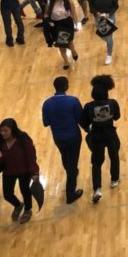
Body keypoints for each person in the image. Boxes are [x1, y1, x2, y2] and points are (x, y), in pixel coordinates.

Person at [41, 76, 84, 205]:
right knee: (72, 163)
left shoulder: (47, 103)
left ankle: (72, 172)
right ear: (66, 86)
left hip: (58, 138)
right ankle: (70, 194)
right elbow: (80, 119)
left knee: (65, 157)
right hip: (73, 137)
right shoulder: (73, 101)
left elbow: (45, 122)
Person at [80, 78, 121, 204]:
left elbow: (84, 122)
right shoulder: (113, 103)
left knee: (96, 163)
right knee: (114, 156)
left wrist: (89, 130)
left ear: (93, 94)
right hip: (110, 133)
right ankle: (114, 179)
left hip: (97, 136)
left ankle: (97, 189)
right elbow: (117, 116)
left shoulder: (88, 106)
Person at [0, 118, 39, 225]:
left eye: (6, 131)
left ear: (12, 129)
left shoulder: (23, 138)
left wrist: (34, 172)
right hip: (8, 171)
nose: (3, 133)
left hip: (24, 170)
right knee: (7, 194)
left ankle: (28, 209)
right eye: (1, 131)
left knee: (25, 190)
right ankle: (18, 205)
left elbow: (31, 155)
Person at [44, 0, 80, 69]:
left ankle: (73, 51)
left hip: (67, 24)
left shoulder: (68, 1)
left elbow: (73, 13)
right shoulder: (49, 3)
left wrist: (76, 24)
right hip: (56, 25)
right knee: (60, 44)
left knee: (69, 42)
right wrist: (48, 22)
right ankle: (66, 62)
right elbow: (46, 14)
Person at [89, 0, 119, 65]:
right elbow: (91, 5)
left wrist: (109, 14)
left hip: (109, 17)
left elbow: (115, 6)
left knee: (109, 37)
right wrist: (96, 12)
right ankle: (110, 44)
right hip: (98, 17)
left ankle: (109, 54)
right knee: (101, 34)